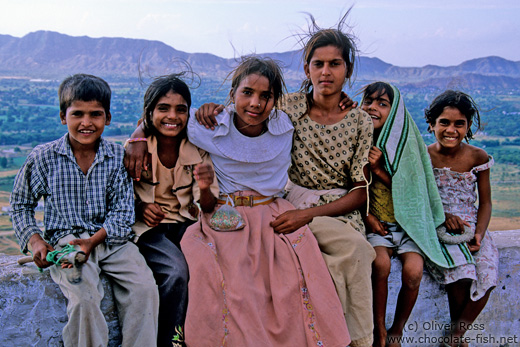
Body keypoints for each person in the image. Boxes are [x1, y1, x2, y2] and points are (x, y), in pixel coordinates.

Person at [191, 14, 376, 347]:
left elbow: (361, 190)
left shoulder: (359, 120)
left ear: (348, 69)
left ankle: (360, 340)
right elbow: (248, 109)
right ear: (306, 70)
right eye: (318, 64)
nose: (326, 72)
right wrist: (212, 110)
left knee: (357, 252)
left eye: (335, 64)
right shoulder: (289, 107)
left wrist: (305, 215)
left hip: (328, 210)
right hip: (288, 203)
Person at [9, 74, 159, 347]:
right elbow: (20, 205)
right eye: (77, 113)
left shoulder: (115, 157)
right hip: (67, 243)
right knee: (85, 300)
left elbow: (123, 214)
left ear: (108, 118)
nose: (87, 122)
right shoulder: (44, 157)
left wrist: (93, 241)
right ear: (63, 117)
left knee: (145, 290)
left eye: (96, 114)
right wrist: (36, 242)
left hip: (111, 241)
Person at [360, 82, 460, 347]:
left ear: (395, 112)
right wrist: (368, 216)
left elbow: (410, 190)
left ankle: (397, 329)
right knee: (380, 264)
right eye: (368, 101)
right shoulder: (358, 138)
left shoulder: (404, 144)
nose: (373, 108)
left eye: (382, 104)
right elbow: (354, 186)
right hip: (377, 224)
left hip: (407, 226)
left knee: (414, 272)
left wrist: (380, 169)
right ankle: (378, 328)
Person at [127, 74, 219, 347]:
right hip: (150, 231)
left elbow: (208, 206)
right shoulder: (136, 150)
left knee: (215, 268)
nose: (173, 116)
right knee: (176, 272)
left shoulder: (197, 150)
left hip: (185, 226)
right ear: (149, 113)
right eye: (163, 108)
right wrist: (140, 207)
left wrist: (204, 186)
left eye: (181, 109)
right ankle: (172, 342)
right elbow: (118, 197)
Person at [425, 90, 498, 347]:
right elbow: (417, 200)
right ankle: (457, 341)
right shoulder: (424, 157)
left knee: (487, 275)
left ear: (468, 126)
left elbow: (486, 202)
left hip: (472, 224)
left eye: (459, 123)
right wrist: (442, 217)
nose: (451, 129)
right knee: (461, 273)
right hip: (437, 226)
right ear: (432, 123)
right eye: (444, 122)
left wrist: (479, 234)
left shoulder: (477, 156)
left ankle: (455, 337)